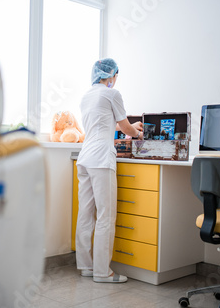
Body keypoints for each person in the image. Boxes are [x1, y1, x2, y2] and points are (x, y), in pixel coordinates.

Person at [75, 58, 143, 283]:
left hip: (84, 158)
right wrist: (138, 132)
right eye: (115, 75)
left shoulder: (87, 96)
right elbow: (125, 127)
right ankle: (103, 272)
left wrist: (128, 128)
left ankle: (85, 266)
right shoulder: (112, 94)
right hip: (101, 159)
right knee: (106, 215)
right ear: (112, 74)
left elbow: (102, 123)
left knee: (85, 214)